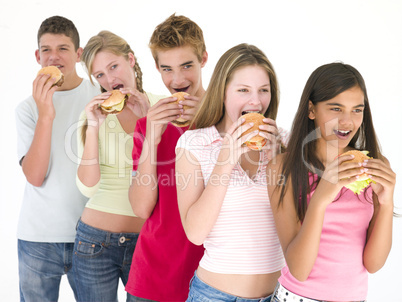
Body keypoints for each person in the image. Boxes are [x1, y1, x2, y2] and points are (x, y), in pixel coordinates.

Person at [268, 63, 396, 302]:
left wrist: (386, 202)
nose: (347, 121)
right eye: (336, 108)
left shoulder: (373, 166)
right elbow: (299, 269)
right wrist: (322, 197)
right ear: (311, 109)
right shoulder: (283, 168)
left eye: (357, 110)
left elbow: (374, 264)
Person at [175, 43, 286, 302]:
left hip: (278, 295)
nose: (256, 102)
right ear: (222, 92)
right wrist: (225, 160)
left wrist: (277, 162)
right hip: (214, 296)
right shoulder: (194, 144)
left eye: (263, 91)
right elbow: (195, 233)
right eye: (243, 90)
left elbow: (296, 224)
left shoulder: (285, 141)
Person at [72, 30, 165, 302]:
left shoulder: (162, 106)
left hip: (148, 243)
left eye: (113, 66)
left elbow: (173, 177)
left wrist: (148, 120)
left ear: (131, 60)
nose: (110, 80)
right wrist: (93, 128)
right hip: (94, 243)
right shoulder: (91, 116)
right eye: (99, 75)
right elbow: (88, 188)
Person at [15, 16, 100, 301]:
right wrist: (46, 113)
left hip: (92, 237)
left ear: (78, 54)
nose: (54, 56)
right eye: (46, 49)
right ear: (38, 56)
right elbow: (35, 176)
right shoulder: (27, 109)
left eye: (63, 48)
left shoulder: (98, 96)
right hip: (38, 238)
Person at [125, 14, 207, 302]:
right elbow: (141, 208)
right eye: (167, 69)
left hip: (213, 281)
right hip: (152, 281)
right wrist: (152, 137)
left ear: (204, 59)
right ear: (157, 69)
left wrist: (212, 127)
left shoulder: (227, 118)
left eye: (187, 66)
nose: (178, 80)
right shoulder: (147, 125)